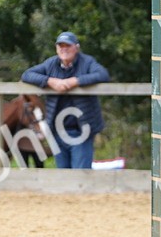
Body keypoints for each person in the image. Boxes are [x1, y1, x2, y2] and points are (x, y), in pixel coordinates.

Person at [21, 31, 110, 169]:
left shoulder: (87, 62)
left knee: (81, 176)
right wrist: (50, 81)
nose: (64, 49)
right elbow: (27, 74)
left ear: (76, 47)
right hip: (57, 131)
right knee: (62, 176)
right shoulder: (51, 64)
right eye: (60, 46)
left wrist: (75, 81)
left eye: (68, 46)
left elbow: (103, 74)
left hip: (82, 130)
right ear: (56, 49)